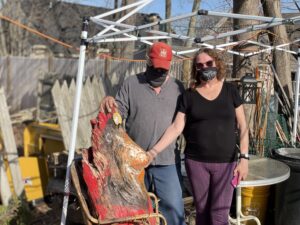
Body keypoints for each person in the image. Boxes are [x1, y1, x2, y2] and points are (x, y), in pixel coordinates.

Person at [147, 48, 249, 225]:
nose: (205, 67)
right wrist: (153, 152)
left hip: (227, 164)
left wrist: (244, 158)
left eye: (209, 63)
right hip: (197, 164)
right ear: (196, 68)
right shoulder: (189, 95)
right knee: (202, 213)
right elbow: (176, 127)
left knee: (219, 216)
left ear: (217, 63)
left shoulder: (230, 91)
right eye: (200, 65)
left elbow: (243, 125)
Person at [99, 42, 186, 225]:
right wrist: (110, 104)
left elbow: (181, 123)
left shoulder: (178, 88)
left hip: (167, 161)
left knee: (173, 212)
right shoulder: (132, 83)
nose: (159, 73)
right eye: (156, 68)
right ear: (147, 62)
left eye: (164, 69)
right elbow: (118, 113)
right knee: (135, 213)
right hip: (134, 162)